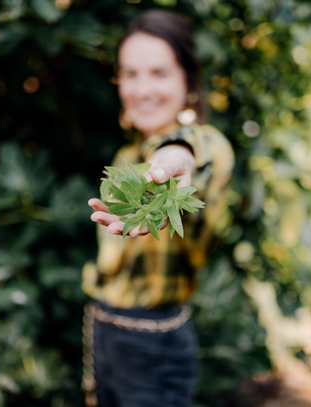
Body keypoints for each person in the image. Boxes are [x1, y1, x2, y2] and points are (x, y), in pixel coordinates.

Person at [82, 10, 234, 407]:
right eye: (130, 74)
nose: (142, 88)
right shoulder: (126, 155)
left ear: (188, 82)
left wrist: (175, 155)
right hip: (105, 333)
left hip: (155, 347)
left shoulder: (205, 144)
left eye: (159, 72)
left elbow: (192, 151)